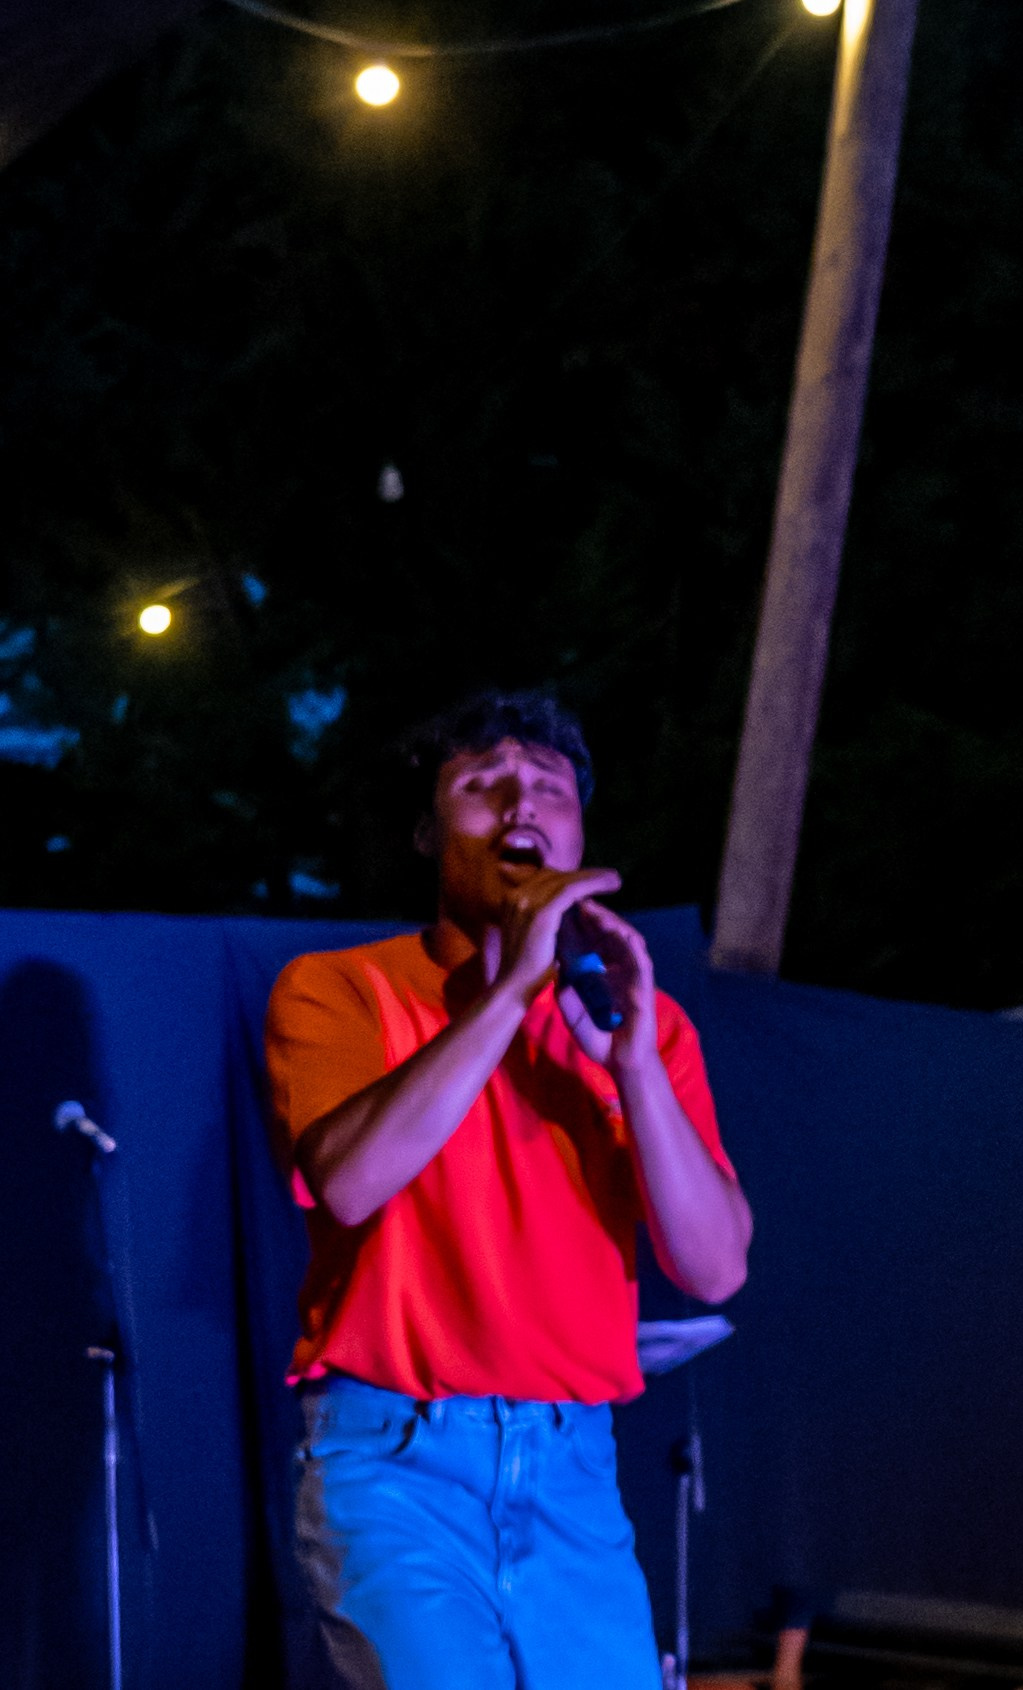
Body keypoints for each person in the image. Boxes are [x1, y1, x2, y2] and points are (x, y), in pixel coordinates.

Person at [264, 688, 752, 1690]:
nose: (520, 802)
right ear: (426, 832)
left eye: (549, 787)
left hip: (572, 1475)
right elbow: (349, 1182)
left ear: (578, 836)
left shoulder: (644, 1029)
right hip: (397, 1466)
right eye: (483, 784)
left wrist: (634, 1066)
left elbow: (714, 1267)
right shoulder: (340, 987)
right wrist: (512, 989)